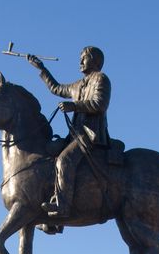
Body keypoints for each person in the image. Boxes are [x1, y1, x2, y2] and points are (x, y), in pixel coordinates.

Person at [27, 46, 111, 218]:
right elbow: (56, 89)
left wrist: (74, 106)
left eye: (84, 57)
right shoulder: (77, 85)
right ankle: (50, 206)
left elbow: (99, 104)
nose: (80, 61)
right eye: (80, 57)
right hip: (75, 135)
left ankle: (62, 207)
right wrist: (42, 69)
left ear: (95, 61)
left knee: (65, 160)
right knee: (49, 153)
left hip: (90, 134)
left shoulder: (101, 79)